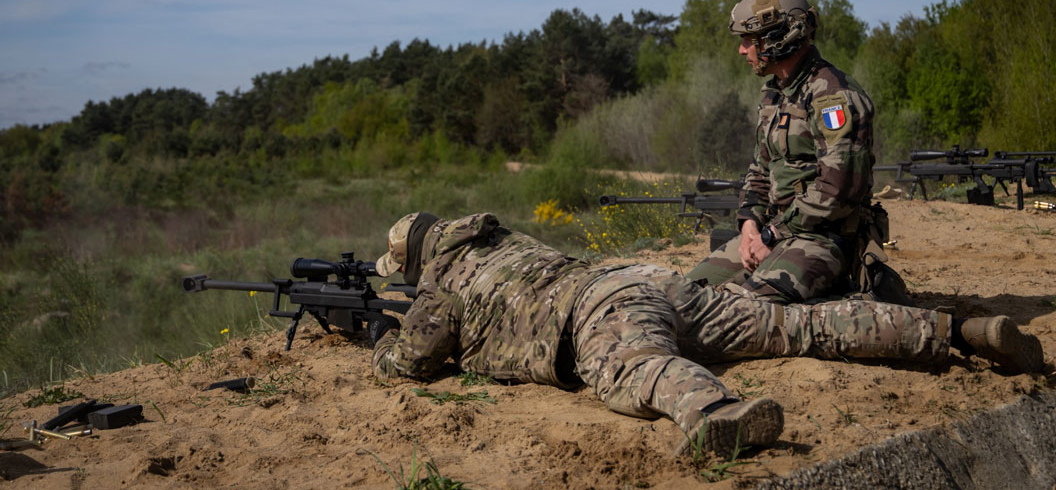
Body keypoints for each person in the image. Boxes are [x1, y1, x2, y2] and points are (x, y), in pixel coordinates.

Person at [369, 211, 1044, 458]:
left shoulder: (444, 279)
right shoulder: (502, 240)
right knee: (796, 326)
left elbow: (420, 356)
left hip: (602, 310)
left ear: (416, 259)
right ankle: (959, 332)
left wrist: (381, 349)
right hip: (652, 281)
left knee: (634, 369)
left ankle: (717, 412)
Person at [688, 0, 885, 305]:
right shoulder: (774, 95)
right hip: (776, 232)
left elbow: (838, 191)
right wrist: (750, 223)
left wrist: (772, 233)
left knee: (746, 309)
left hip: (826, 240)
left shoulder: (833, 95)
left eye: (748, 40)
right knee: (685, 294)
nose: (741, 49)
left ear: (778, 38)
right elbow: (760, 170)